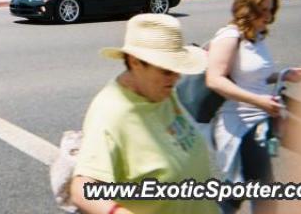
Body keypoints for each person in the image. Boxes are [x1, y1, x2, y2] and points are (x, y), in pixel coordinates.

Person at [70, 14, 219, 214]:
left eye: (177, 69)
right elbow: (82, 189)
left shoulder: (159, 91)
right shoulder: (111, 112)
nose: (176, 77)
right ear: (135, 62)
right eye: (167, 70)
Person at [206, 0, 301, 213]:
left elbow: (254, 77)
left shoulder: (256, 36)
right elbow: (214, 79)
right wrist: (258, 101)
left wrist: (283, 75)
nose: (269, 16)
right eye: (264, 10)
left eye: (271, 9)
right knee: (261, 195)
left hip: (259, 120)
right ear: (247, 9)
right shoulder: (229, 36)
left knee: (240, 190)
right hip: (239, 125)